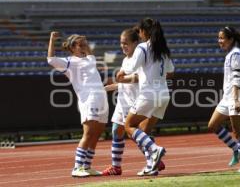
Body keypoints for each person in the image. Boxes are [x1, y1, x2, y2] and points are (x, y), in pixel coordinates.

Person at [101, 28, 165, 176]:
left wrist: (122, 79)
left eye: (126, 43)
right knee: (117, 130)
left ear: (136, 43)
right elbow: (124, 81)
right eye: (121, 43)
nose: (123, 46)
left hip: (135, 100)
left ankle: (154, 158)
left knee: (136, 133)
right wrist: (110, 87)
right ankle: (116, 166)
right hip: (123, 100)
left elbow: (137, 78)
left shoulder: (140, 58)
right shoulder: (125, 59)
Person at [117, 18, 174, 176]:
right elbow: (171, 71)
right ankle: (151, 166)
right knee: (144, 129)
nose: (139, 33)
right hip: (163, 94)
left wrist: (121, 72)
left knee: (129, 126)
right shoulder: (163, 49)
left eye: (140, 30)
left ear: (145, 32)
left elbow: (131, 66)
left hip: (149, 93)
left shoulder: (143, 47)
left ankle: (155, 150)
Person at [47, 32, 109, 177]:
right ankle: (77, 167)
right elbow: (50, 59)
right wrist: (52, 39)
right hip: (89, 99)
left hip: (101, 98)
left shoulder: (89, 59)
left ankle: (87, 167)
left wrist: (85, 44)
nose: (84, 46)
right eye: (80, 45)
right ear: (72, 47)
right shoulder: (69, 62)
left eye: (84, 44)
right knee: (88, 133)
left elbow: (90, 53)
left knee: (97, 133)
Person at [207, 26, 240, 172]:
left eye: (222, 38)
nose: (219, 41)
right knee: (213, 125)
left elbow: (237, 78)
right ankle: (235, 149)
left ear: (231, 39)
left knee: (238, 132)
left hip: (236, 97)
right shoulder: (230, 54)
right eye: (219, 38)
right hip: (227, 98)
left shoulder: (236, 55)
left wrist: (236, 100)